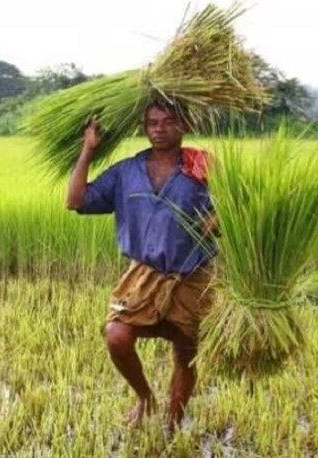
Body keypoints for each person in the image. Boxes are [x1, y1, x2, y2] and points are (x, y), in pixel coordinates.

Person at [66, 99, 217, 430]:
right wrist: (88, 150)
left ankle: (173, 423)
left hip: (192, 274)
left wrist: (216, 220)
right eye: (152, 123)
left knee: (185, 353)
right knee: (116, 335)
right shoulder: (126, 172)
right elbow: (76, 201)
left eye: (167, 121)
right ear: (144, 127)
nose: (159, 129)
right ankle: (145, 398)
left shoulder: (201, 166)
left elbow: (240, 205)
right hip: (143, 274)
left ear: (185, 126)